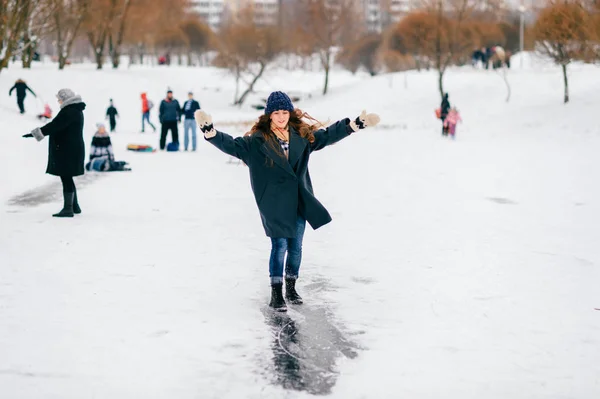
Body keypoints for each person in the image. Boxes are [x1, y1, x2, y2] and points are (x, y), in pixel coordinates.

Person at [195, 91, 380, 311]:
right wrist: (210, 132)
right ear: (269, 115)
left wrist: (354, 125)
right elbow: (232, 145)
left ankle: (291, 287)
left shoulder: (301, 136)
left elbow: (326, 135)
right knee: (280, 244)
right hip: (273, 202)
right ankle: (276, 293)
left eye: (285, 112)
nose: (281, 117)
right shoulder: (257, 141)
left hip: (299, 199)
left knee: (295, 246)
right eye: (277, 112)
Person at [22, 88, 85, 218]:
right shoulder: (74, 110)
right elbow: (56, 125)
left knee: (66, 177)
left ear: (65, 98)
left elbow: (54, 126)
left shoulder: (69, 111)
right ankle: (74, 206)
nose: (58, 101)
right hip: (71, 149)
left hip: (68, 150)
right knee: (68, 176)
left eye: (59, 98)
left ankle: (68, 209)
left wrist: (36, 134)